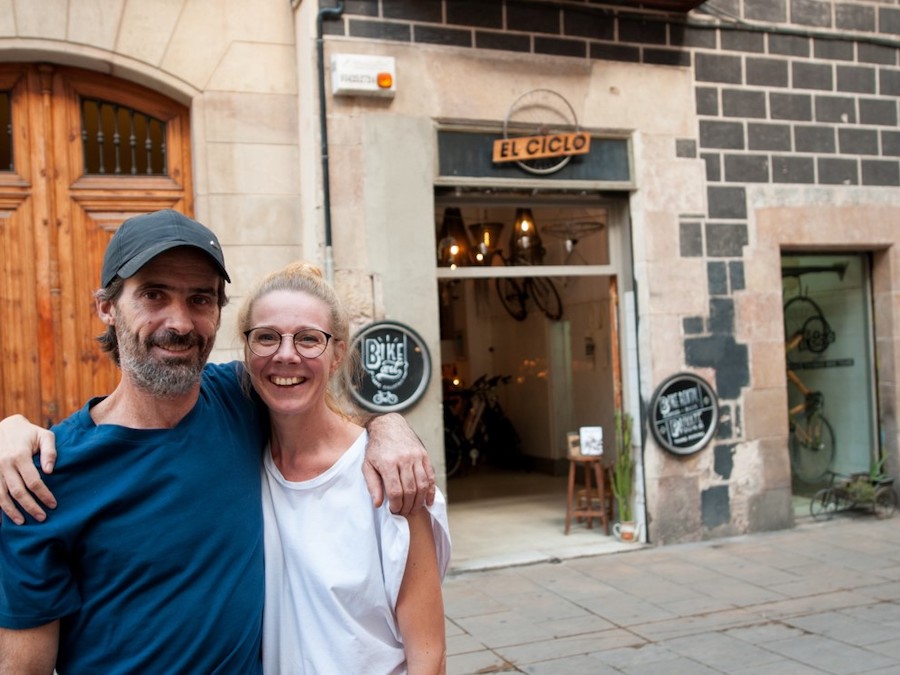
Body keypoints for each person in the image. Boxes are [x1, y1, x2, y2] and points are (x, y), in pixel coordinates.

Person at [0, 209, 435, 673]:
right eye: (153, 294)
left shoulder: (240, 399)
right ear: (107, 307)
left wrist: (388, 425)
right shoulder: (42, 477)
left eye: (200, 299)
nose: (181, 322)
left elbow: (311, 394)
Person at [239, 262, 450, 673]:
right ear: (247, 351)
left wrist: (387, 423)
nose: (286, 354)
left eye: (308, 339)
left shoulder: (389, 481)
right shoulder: (241, 460)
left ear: (337, 354)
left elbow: (430, 655)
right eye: (266, 337)